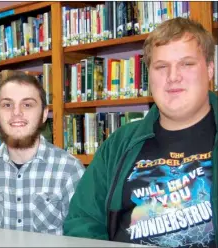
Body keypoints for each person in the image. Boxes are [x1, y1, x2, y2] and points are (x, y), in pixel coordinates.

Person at [63, 17, 217, 247]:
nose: (173, 76)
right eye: (161, 66)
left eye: (187, 64)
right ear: (149, 76)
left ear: (210, 70)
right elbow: (82, 222)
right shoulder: (119, 144)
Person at [0, 73, 85, 235]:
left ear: (44, 114)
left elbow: (79, 239)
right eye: (7, 105)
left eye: (27, 105)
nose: (16, 112)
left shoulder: (70, 170)